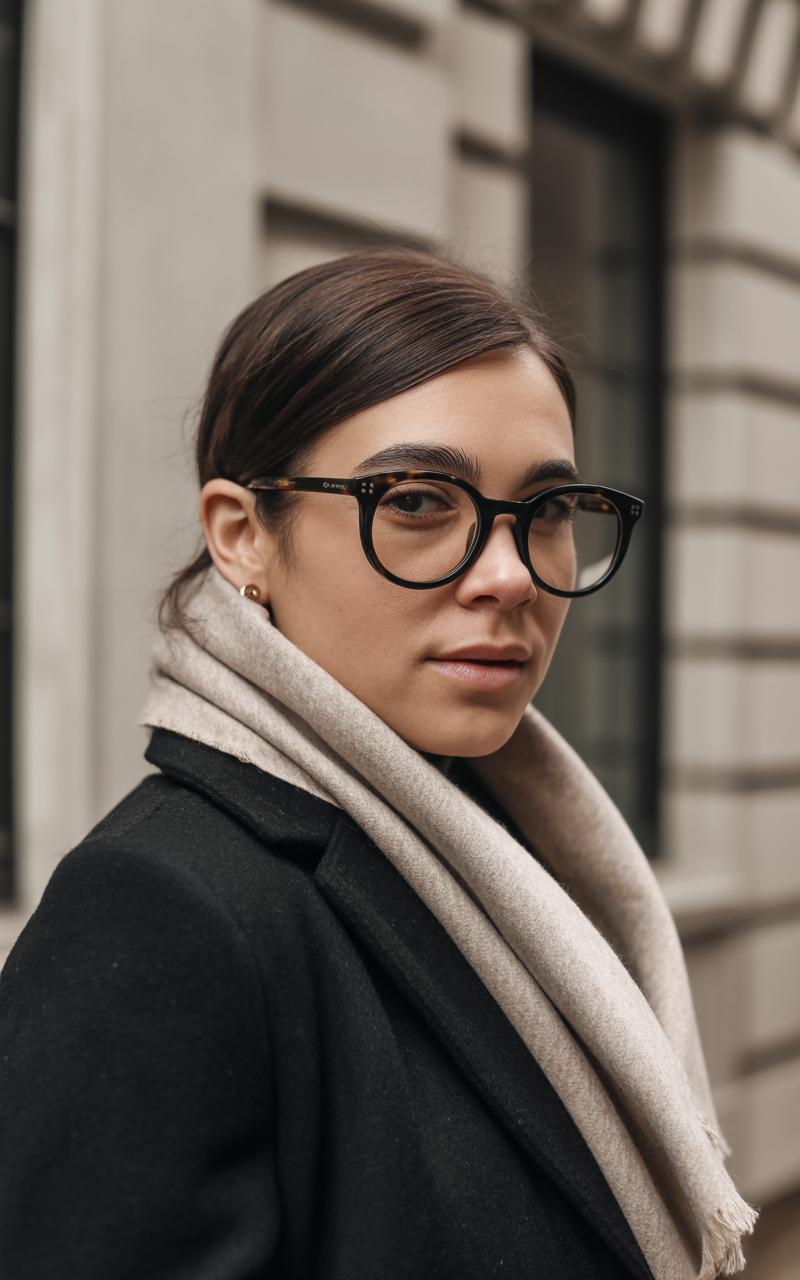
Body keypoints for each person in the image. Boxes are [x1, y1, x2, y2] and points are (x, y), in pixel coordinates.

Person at [0, 252, 754, 1279]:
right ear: (242, 536)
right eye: (413, 500)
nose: (504, 576)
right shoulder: (164, 908)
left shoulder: (514, 848)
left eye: (544, 512)